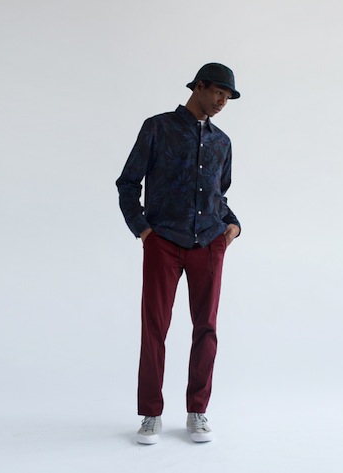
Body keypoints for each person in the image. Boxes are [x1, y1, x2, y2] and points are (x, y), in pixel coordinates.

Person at [116, 63, 241, 444]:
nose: (222, 101)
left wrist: (233, 225)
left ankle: (197, 411)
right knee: (154, 327)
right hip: (164, 241)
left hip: (209, 243)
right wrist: (143, 230)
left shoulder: (222, 143)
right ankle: (151, 414)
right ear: (198, 86)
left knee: (207, 328)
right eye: (217, 92)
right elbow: (128, 182)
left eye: (227, 96)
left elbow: (219, 195)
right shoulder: (158, 128)